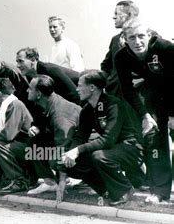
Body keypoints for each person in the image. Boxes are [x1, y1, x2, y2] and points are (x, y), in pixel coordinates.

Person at [59, 70, 145, 205]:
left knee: (99, 156)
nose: (77, 89)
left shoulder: (113, 104)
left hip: (131, 148)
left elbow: (107, 140)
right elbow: (80, 137)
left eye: (80, 85)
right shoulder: (87, 110)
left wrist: (77, 150)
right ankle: (106, 189)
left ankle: (125, 189)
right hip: (112, 149)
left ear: (92, 88)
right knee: (73, 162)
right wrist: (68, 158)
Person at [115, 18, 174, 204]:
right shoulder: (121, 57)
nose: (137, 42)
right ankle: (160, 191)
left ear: (149, 35)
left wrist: (173, 115)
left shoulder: (165, 48)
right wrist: (145, 115)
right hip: (154, 99)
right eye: (132, 37)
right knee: (155, 142)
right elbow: (128, 90)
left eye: (141, 36)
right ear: (125, 39)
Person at [25, 75, 81, 195]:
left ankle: (84, 179)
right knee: (35, 142)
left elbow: (63, 146)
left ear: (39, 93)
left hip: (87, 142)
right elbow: (41, 118)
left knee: (55, 160)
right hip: (71, 138)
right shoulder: (46, 101)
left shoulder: (59, 115)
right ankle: (49, 183)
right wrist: (37, 127)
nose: (27, 90)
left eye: (30, 88)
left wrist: (62, 181)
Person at [0, 78, 37, 195]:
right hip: (25, 148)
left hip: (35, 151)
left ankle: (20, 181)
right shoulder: (5, 105)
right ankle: (27, 177)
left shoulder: (15, 104)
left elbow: (8, 135)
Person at [100, 0, 139, 97]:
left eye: (116, 14)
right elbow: (106, 66)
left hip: (137, 96)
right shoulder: (115, 39)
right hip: (115, 95)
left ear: (128, 15)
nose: (114, 17)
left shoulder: (146, 36)